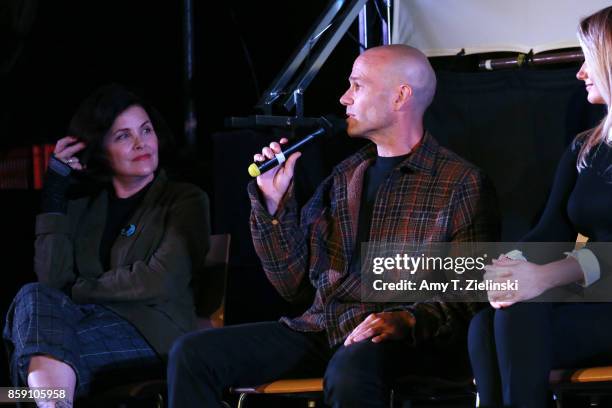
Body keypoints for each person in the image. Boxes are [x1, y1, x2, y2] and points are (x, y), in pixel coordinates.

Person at [168, 44, 498, 408]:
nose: (344, 98)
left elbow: (468, 296)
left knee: (351, 371)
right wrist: (274, 204)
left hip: (394, 337)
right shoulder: (345, 176)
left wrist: (408, 319)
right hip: (323, 327)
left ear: (400, 96)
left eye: (357, 86)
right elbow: (291, 285)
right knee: (193, 354)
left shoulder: (459, 182)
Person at [3, 84, 210, 407]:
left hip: (153, 336)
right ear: (100, 149)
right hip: (87, 329)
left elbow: (160, 279)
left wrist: (78, 291)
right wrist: (55, 190)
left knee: (26, 367)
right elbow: (51, 281)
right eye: (123, 136)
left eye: (146, 130)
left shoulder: (185, 199)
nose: (141, 142)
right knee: (32, 300)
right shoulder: (86, 207)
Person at [468, 6, 612, 408]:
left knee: (520, 313)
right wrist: (508, 267)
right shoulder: (586, 147)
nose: (581, 72)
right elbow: (550, 232)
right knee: (486, 325)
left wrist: (549, 275)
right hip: (599, 300)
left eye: (589, 60)